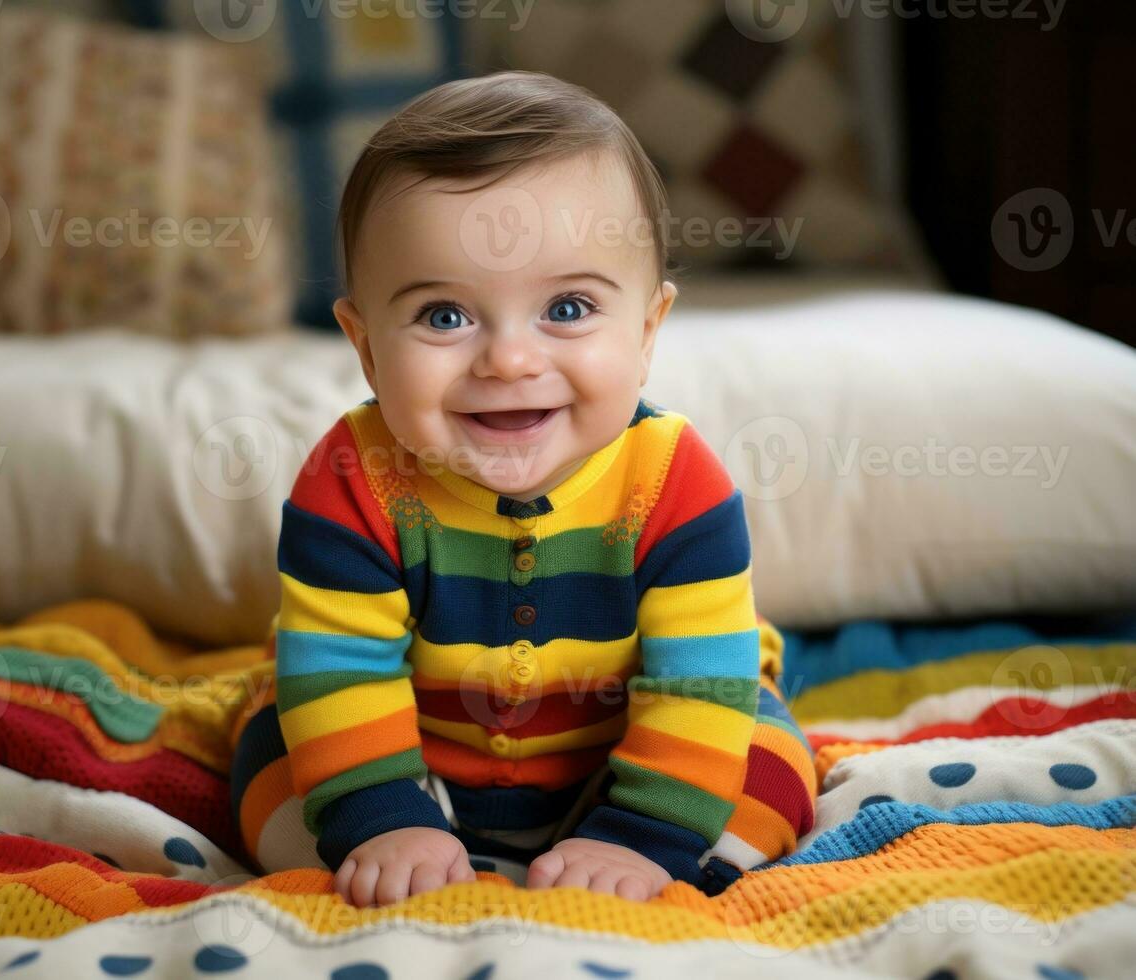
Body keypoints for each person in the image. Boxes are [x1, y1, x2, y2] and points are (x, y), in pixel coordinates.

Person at [230, 71, 815, 909]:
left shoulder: (673, 483)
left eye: (568, 308)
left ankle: (648, 858)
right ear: (364, 348)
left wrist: (644, 835)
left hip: (638, 739)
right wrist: (382, 816)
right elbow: (342, 670)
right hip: (414, 743)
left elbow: (698, 685)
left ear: (647, 331)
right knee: (272, 768)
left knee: (767, 766)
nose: (507, 360)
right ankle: (408, 835)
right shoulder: (353, 481)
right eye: (443, 316)